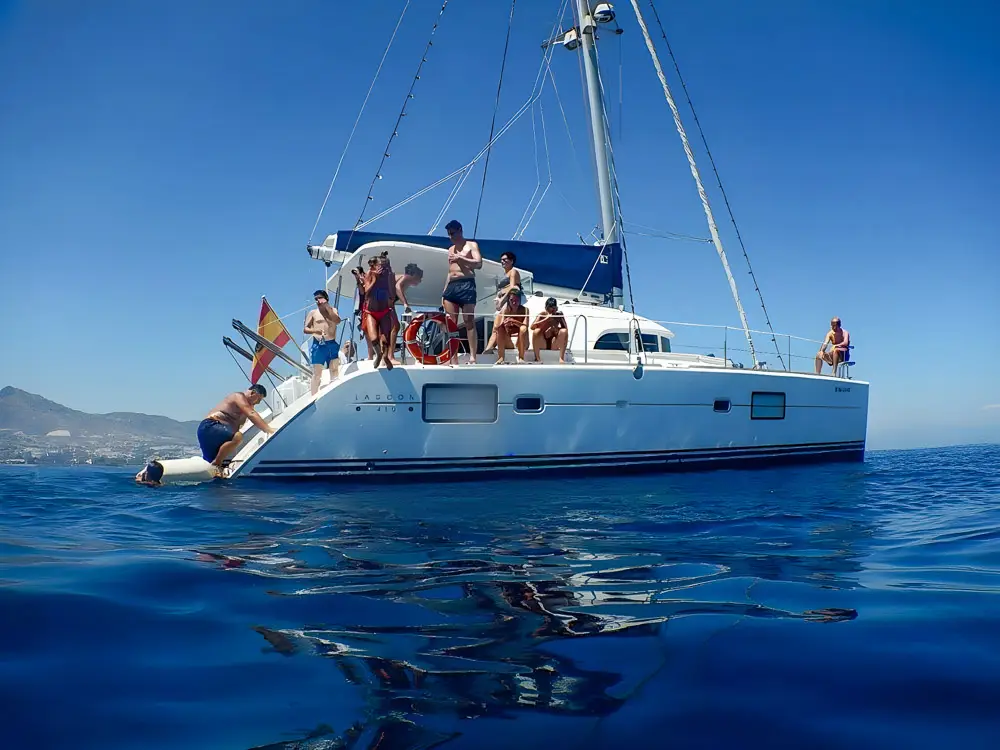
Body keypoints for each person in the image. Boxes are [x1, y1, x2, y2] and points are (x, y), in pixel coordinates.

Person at [197, 384, 275, 470]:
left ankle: (217, 467)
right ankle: (217, 463)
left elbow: (238, 425)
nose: (258, 403)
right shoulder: (238, 396)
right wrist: (268, 430)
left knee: (210, 464)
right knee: (238, 437)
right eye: (259, 399)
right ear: (253, 393)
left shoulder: (247, 408)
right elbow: (251, 414)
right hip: (210, 426)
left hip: (218, 433)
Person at [441, 219, 483, 363]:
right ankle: (453, 357)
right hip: (452, 285)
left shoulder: (471, 245)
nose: (451, 237)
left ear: (460, 230)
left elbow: (479, 264)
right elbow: (449, 271)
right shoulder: (450, 249)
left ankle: (473, 356)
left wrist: (461, 258)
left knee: (468, 321)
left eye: (453, 233)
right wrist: (444, 291)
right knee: (451, 324)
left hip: (466, 284)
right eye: (449, 234)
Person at [360, 252, 396, 369]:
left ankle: (385, 356)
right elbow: (366, 294)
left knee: (385, 340)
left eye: (386, 267)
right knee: (374, 338)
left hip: (384, 311)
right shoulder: (369, 274)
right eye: (382, 266)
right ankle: (378, 354)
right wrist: (375, 280)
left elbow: (392, 295)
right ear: (375, 266)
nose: (384, 269)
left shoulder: (389, 275)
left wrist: (388, 278)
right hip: (372, 313)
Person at [304, 290, 342, 395]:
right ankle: (313, 396)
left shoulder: (333, 310)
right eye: (316, 299)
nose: (318, 301)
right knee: (317, 373)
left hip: (331, 343)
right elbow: (305, 329)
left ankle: (335, 393)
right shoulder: (313, 313)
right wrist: (315, 331)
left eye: (320, 298)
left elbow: (337, 321)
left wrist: (327, 307)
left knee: (334, 369)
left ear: (326, 299)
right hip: (318, 344)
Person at [485, 251, 522, 354]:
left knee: (498, 326)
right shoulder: (506, 273)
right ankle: (489, 349)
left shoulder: (513, 272)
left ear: (511, 261)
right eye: (501, 260)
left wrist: (502, 300)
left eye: (505, 259)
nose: (502, 261)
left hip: (509, 302)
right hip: (504, 302)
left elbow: (513, 287)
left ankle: (489, 348)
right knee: (496, 327)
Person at [389, 262, 423, 365]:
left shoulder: (406, 282)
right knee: (395, 327)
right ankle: (390, 356)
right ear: (413, 275)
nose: (420, 280)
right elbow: (397, 287)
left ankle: (387, 355)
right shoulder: (404, 278)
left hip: (387, 303)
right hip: (384, 303)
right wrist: (405, 304)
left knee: (392, 328)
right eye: (419, 278)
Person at [531, 297, 569, 364]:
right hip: (543, 341)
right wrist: (546, 320)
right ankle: (537, 357)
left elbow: (565, 328)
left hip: (553, 342)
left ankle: (561, 358)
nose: (552, 310)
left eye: (554, 308)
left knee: (564, 331)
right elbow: (532, 327)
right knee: (536, 331)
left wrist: (556, 329)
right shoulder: (542, 314)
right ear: (546, 308)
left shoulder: (559, 315)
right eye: (549, 308)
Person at [495, 293, 528, 364]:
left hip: (523, 342)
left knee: (523, 328)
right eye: (511, 300)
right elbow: (499, 326)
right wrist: (506, 323)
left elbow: (526, 325)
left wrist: (514, 321)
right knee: (500, 328)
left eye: (516, 300)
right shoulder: (505, 310)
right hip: (509, 343)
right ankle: (501, 358)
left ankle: (521, 357)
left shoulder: (525, 310)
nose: (514, 302)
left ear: (520, 300)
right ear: (508, 301)